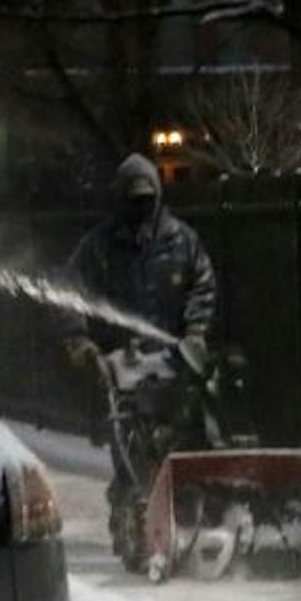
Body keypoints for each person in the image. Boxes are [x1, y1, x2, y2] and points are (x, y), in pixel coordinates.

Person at [58, 153, 218, 550]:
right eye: (134, 201)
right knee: (129, 437)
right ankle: (132, 512)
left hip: (174, 358)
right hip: (122, 361)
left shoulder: (182, 241)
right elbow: (68, 293)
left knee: (188, 429)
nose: (142, 209)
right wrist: (78, 340)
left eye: (148, 200)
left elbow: (202, 285)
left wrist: (195, 331)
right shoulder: (99, 247)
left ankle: (190, 504)